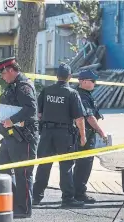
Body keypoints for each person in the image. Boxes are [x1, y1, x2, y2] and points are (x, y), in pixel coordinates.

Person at [33, 63, 87, 208]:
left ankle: (36, 197)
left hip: (47, 133)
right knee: (66, 166)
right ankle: (67, 198)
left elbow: (38, 113)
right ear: (69, 77)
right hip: (65, 134)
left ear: (56, 76)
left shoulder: (46, 90)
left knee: (44, 165)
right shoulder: (72, 93)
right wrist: (83, 136)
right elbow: (79, 118)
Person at [0, 57, 39, 218]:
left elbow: (31, 109)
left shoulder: (24, 86)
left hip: (23, 137)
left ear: (11, 70)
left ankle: (24, 208)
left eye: (3, 73)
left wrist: (11, 120)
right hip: (10, 136)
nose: (2, 76)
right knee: (2, 167)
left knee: (23, 173)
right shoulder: (13, 85)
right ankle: (12, 203)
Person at [73, 69, 107, 204]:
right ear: (84, 81)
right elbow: (89, 117)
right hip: (85, 134)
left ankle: (75, 192)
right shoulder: (82, 96)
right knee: (84, 165)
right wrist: (101, 132)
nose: (95, 83)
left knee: (80, 165)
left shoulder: (82, 94)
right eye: (93, 81)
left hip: (81, 133)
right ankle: (79, 193)